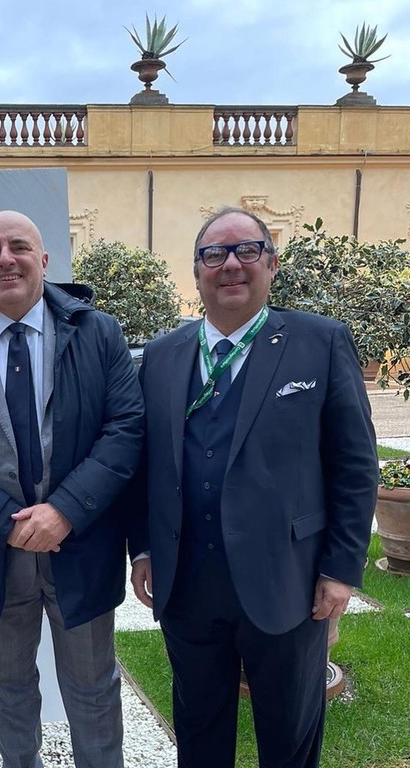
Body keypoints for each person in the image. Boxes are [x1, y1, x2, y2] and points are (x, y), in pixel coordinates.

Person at [129, 207, 378, 768]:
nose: (231, 265)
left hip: (289, 581)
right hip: (187, 584)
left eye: (247, 250)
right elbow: (145, 463)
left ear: (272, 263)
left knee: (289, 739)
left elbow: (356, 464)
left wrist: (341, 568)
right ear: (196, 270)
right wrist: (142, 547)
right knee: (199, 734)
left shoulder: (320, 342)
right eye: (214, 254)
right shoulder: (162, 356)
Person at [0, 210, 144, 768]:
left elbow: (125, 428)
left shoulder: (99, 334)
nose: (5, 259)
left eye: (18, 247)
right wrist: (4, 523)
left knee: (93, 688)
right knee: (10, 690)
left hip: (80, 547)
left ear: (43, 260)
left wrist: (64, 511)